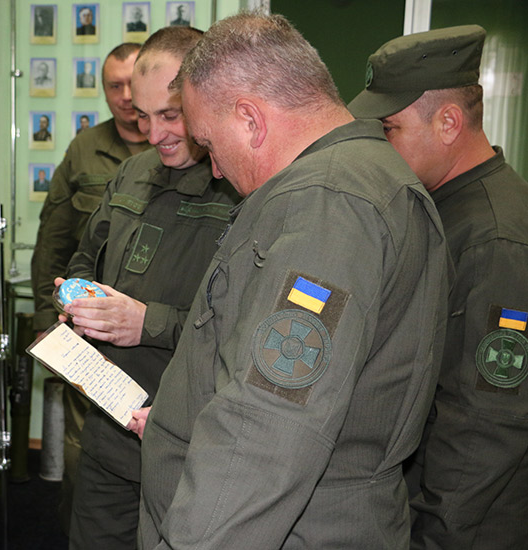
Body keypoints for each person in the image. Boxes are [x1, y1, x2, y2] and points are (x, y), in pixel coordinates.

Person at [136, 12, 449, 549]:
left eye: (209, 145)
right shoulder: (362, 177)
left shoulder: (328, 203)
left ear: (250, 120)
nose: (215, 170)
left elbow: (269, 423)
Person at [349, 25, 528, 550]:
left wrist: (433, 539)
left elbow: (485, 423)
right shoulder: (439, 205)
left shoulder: (496, 239)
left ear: (448, 123)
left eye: (391, 129)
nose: (382, 145)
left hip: (459, 526)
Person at [61, 26, 238, 549]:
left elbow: (244, 327)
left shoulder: (240, 186)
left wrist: (147, 323)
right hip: (108, 428)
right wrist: (76, 298)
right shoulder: (132, 174)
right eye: (142, 116)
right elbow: (83, 260)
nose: (153, 133)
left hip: (188, 440)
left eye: (170, 115)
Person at [30, 42, 150, 536]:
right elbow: (53, 241)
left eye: (132, 84)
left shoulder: (185, 147)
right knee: (85, 462)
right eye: (113, 86)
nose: (125, 96)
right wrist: (47, 324)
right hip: (90, 336)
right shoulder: (85, 148)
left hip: (153, 334)